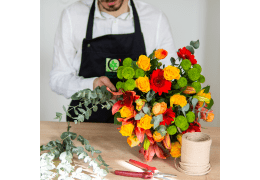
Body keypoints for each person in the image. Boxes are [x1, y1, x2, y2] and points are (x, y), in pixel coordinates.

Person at [50, 0, 177, 123]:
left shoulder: (156, 19)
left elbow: (170, 79)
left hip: (139, 127)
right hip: (86, 124)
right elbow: (58, 79)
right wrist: (91, 85)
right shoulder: (72, 16)